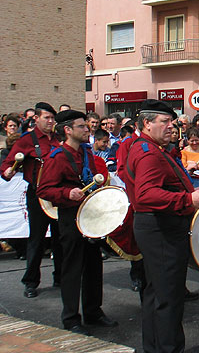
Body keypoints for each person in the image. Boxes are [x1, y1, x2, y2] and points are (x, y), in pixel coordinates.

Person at [123, 100, 199, 353]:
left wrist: (191, 191)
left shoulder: (151, 149)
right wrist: (187, 199)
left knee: (156, 294)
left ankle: (154, 347)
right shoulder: (149, 152)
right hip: (161, 229)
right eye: (164, 121)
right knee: (169, 298)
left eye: (172, 122)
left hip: (157, 226)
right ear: (147, 124)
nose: (171, 126)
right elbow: (146, 195)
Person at [37, 110, 118, 335]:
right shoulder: (57, 157)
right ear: (68, 130)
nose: (87, 129)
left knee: (94, 264)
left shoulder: (87, 153)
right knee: (72, 267)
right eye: (82, 126)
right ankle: (71, 317)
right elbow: (44, 189)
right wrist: (66, 193)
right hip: (70, 217)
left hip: (90, 215)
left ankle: (94, 311)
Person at [1, 102, 62, 298]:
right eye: (47, 118)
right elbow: (8, 166)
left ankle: (61, 277)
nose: (51, 121)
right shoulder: (27, 140)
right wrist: (8, 171)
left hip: (58, 195)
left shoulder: (59, 138)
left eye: (52, 118)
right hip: (37, 195)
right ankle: (30, 282)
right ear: (36, 119)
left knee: (60, 238)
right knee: (36, 239)